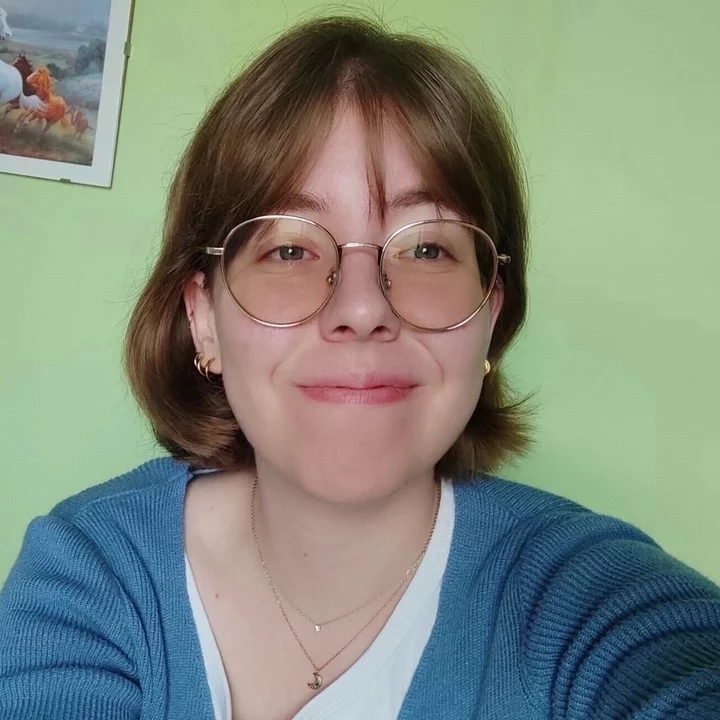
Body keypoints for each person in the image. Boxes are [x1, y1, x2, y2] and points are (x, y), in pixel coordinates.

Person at [1, 15, 719, 720]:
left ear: (490, 316)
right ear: (203, 318)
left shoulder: (587, 598)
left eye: (427, 248)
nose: (363, 306)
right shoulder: (89, 572)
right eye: (288, 249)